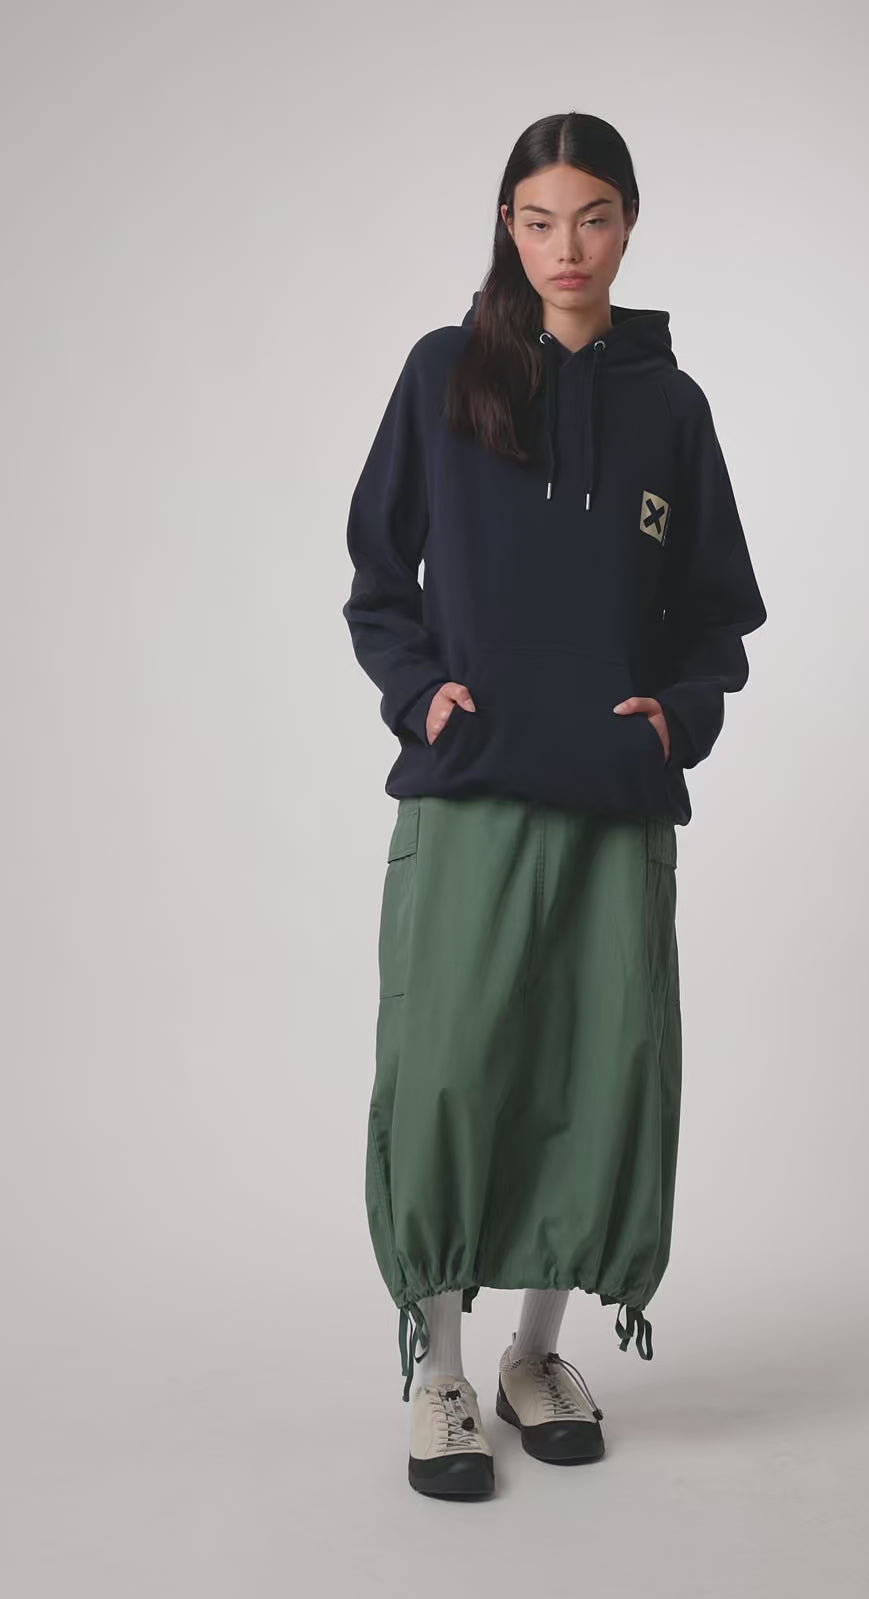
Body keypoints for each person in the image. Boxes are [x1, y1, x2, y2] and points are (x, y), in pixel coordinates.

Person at [341, 111, 767, 1500]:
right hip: (471, 790)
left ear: (628, 224)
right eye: (538, 220)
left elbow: (717, 613)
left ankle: (536, 1354)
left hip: (614, 799)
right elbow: (377, 580)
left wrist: (680, 716)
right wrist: (423, 696)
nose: (565, 247)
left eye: (591, 218)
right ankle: (441, 1372)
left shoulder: (671, 408)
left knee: (595, 1071)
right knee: (454, 1070)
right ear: (507, 229)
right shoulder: (445, 373)